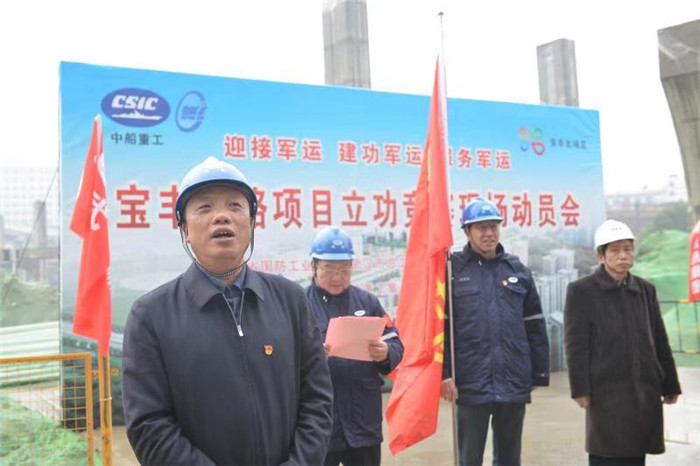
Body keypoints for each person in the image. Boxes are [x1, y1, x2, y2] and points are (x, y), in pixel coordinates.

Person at [122, 156, 333, 466]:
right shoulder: (151, 316)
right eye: (204, 207)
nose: (221, 216)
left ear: (252, 222)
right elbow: (149, 426)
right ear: (185, 229)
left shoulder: (290, 300)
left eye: (235, 206)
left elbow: (318, 400)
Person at [441, 198, 550, 466]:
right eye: (481, 228)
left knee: (510, 458)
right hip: (470, 383)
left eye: (493, 227)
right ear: (467, 232)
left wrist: (538, 372)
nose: (489, 233)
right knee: (469, 458)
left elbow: (535, 324)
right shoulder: (452, 270)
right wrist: (445, 374)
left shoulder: (517, 270)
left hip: (512, 380)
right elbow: (441, 329)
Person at [564, 219, 681, 466]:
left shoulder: (645, 290)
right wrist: (580, 388)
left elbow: (659, 338)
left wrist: (670, 382)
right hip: (605, 389)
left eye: (627, 249)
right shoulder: (582, 291)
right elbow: (576, 344)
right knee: (606, 452)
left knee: (636, 452)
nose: (623, 256)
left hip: (643, 388)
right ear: (601, 256)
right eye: (615, 250)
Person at [305, 226, 404, 466]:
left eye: (344, 269)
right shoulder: (300, 305)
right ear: (314, 266)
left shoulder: (367, 302)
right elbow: (283, 357)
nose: (337, 277)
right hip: (320, 424)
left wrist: (385, 353)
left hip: (363, 421)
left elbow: (395, 342)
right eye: (329, 269)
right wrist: (311, 355)